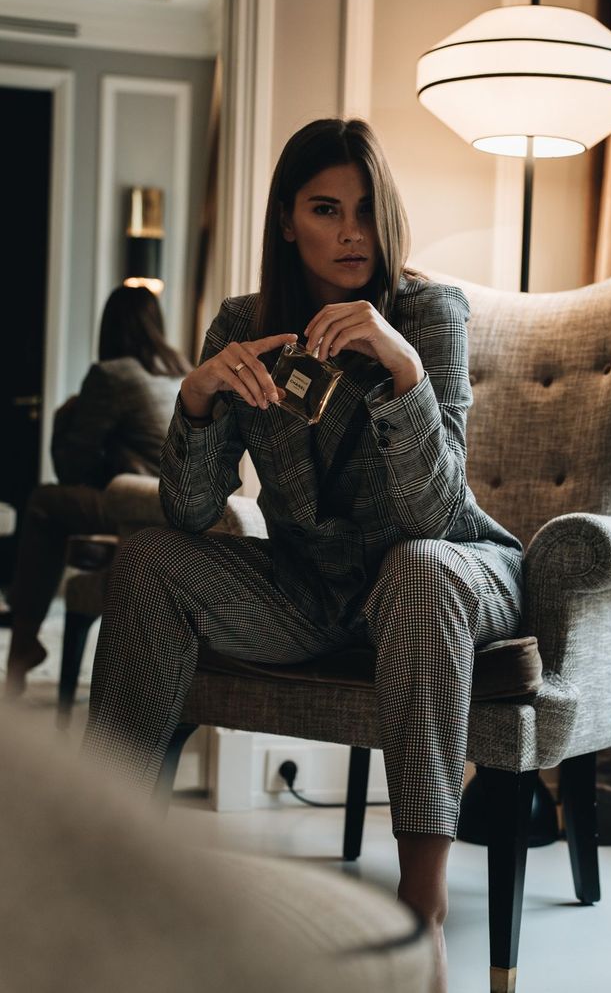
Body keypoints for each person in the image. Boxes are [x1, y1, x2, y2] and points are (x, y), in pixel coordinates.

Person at [82, 119, 523, 992]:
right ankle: (105, 870)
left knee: (420, 569)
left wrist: (401, 371)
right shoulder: (242, 325)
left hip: (455, 572)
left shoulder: (430, 315)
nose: (352, 230)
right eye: (326, 209)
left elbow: (434, 514)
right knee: (146, 558)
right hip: (313, 593)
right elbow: (190, 510)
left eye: (366, 209)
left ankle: (419, 914)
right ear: (289, 220)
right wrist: (199, 399)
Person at [4, 285, 189, 697]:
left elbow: (72, 466)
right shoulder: (180, 371)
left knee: (44, 502)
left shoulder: (112, 374)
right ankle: (23, 634)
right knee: (54, 506)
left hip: (140, 506)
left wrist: (61, 418)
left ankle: (21, 639)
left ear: (110, 326)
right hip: (181, 508)